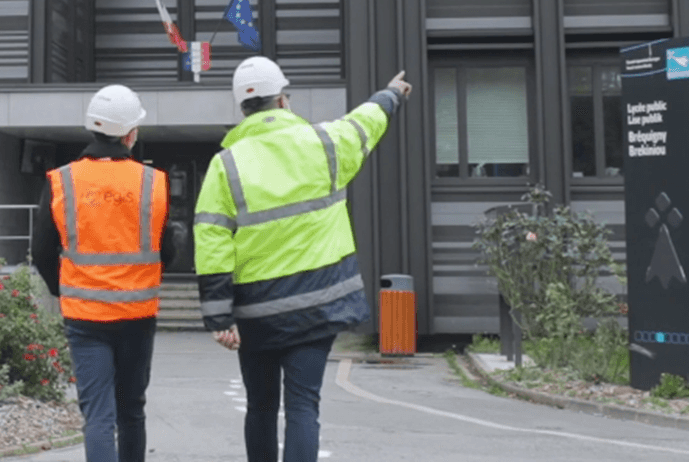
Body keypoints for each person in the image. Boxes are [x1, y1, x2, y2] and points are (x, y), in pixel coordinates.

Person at [194, 56, 411, 462]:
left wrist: (219, 316)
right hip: (317, 308)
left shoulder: (225, 166)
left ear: (243, 108)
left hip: (257, 312)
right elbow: (366, 122)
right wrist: (392, 94)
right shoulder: (325, 143)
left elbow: (212, 239)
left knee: (260, 407)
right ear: (283, 100)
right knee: (302, 407)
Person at [32, 84, 175, 462]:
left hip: (85, 317)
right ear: (131, 134)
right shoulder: (153, 182)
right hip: (137, 315)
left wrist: (66, 292)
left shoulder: (61, 180)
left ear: (92, 129)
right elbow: (169, 249)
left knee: (97, 416)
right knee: (132, 411)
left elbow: (41, 251)